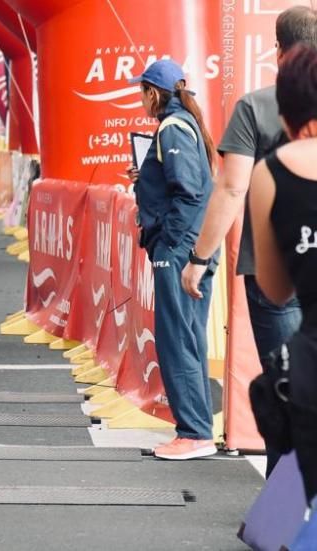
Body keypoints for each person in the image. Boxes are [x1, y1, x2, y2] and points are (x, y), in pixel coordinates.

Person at [182, 8, 317, 357]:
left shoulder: (255, 107)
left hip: (276, 266)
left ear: (279, 50)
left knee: (287, 388)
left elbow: (232, 188)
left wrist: (199, 259)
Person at [126, 59, 218, 460]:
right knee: (189, 339)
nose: (140, 99)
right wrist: (145, 180)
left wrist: (168, 244)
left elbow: (190, 192)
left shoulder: (172, 127)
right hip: (192, 247)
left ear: (152, 92)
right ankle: (197, 430)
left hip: (179, 250)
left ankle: (194, 432)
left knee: (177, 340)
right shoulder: (181, 125)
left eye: (141, 91)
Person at [247, 43, 317, 512]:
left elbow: (275, 289)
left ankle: (281, 521)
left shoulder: (269, 174)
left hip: (313, 367)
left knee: (286, 520)